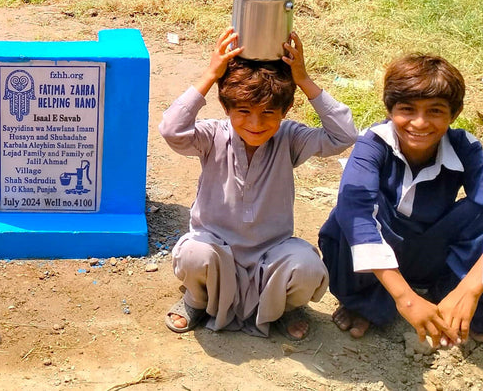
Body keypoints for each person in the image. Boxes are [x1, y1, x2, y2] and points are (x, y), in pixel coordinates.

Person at [159, 28, 357, 339]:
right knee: (194, 254)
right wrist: (211, 74)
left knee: (307, 268)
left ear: (285, 111)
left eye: (268, 113)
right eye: (244, 112)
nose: (256, 124)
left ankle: (284, 309)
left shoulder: (288, 138)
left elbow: (344, 136)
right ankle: (196, 300)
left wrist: (303, 79)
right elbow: (171, 130)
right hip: (216, 251)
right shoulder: (212, 136)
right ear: (226, 109)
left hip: (272, 255)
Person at [319, 54, 483, 346]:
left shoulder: (465, 148)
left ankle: (449, 294)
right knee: (351, 213)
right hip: (382, 252)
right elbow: (355, 215)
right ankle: (367, 301)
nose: (420, 123)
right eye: (407, 109)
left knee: (476, 213)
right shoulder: (373, 144)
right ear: (390, 109)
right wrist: (405, 299)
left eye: (435, 111)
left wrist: (469, 289)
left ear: (454, 114)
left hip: (429, 252)